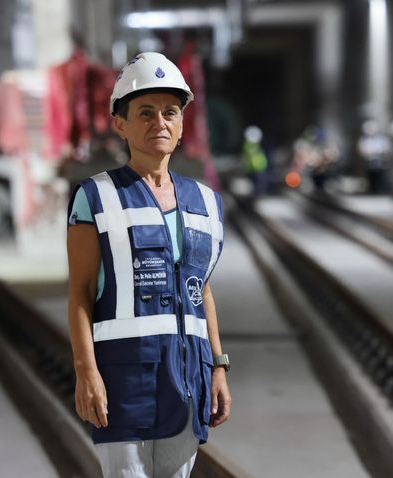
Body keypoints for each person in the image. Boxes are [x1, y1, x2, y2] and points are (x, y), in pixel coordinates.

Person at [66, 52, 231, 478]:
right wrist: (86, 372)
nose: (160, 122)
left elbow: (201, 290)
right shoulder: (96, 198)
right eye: (145, 112)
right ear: (120, 125)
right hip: (124, 386)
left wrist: (218, 366)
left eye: (170, 112)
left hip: (188, 382)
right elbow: (80, 293)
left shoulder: (205, 202)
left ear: (182, 124)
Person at [357, 119, 392, 195]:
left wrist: (379, 152)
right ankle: (372, 190)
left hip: (379, 160)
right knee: (371, 176)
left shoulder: (381, 138)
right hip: (369, 160)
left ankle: (379, 190)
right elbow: (362, 150)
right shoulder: (364, 139)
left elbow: (385, 148)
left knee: (379, 175)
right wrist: (369, 153)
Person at [241, 125, 268, 196]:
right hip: (253, 168)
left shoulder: (256, 145)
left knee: (260, 185)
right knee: (255, 185)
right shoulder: (247, 146)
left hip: (259, 168)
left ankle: (259, 195)